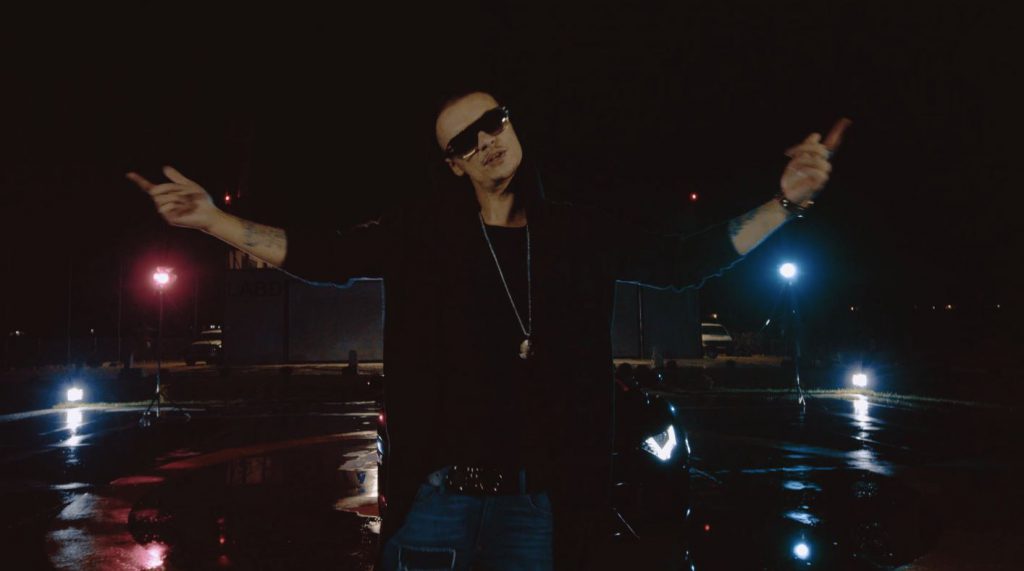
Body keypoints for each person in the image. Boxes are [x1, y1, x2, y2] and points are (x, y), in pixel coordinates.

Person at [128, 90, 848, 569]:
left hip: (538, 506)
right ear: (454, 164)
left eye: (494, 122)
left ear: (513, 123)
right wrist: (212, 220)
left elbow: (685, 261)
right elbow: (323, 256)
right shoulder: (425, 238)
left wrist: (785, 203)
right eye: (466, 141)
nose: (487, 142)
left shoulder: (576, 234)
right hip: (437, 501)